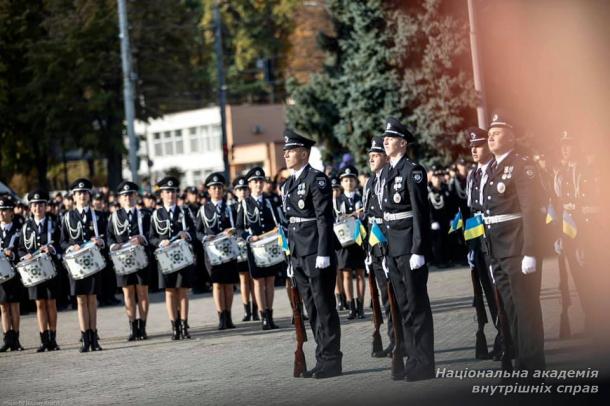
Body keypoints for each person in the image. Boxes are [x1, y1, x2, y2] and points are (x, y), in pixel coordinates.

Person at [483, 111, 546, 373]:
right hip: (498, 251)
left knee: (526, 309)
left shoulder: (522, 165)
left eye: (497, 133)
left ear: (511, 138)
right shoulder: (492, 168)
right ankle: (523, 361)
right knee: (511, 310)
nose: (491, 137)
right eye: (490, 133)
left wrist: (531, 251)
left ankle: (533, 367)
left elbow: (531, 211)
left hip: (518, 249)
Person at [282, 129, 342, 379]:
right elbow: (289, 222)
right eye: (285, 151)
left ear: (304, 153)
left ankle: (332, 360)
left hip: (316, 252)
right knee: (311, 308)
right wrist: (290, 255)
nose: (286, 154)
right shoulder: (289, 183)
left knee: (324, 306)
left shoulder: (316, 179)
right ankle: (321, 358)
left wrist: (324, 251)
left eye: (291, 150)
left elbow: (323, 218)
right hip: (299, 254)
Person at [380, 117, 435, 381]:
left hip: (409, 248)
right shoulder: (388, 172)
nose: (385, 141)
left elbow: (420, 213)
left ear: (402, 143)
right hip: (393, 248)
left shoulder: (413, 171)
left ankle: (423, 363)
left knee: (416, 305)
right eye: (384, 138)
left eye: (389, 138)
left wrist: (419, 249)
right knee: (403, 307)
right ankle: (413, 359)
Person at [464, 127, 508, 363]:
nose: (474, 149)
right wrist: (471, 246)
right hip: (479, 241)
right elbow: (471, 210)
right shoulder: (472, 176)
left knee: (499, 290)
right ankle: (500, 332)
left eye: (478, 145)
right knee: (488, 293)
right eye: (471, 146)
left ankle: (508, 337)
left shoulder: (495, 169)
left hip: (495, 238)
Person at [59, 178, 106, 352]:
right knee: (80, 300)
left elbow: (106, 239)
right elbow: (62, 242)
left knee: (92, 299)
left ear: (89, 195)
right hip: (76, 264)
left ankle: (94, 337)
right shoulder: (67, 216)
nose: (82, 195)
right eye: (78, 193)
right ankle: (85, 338)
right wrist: (72, 246)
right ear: (74, 196)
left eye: (85, 192)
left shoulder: (98, 215)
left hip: (93, 262)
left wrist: (100, 241)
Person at [149, 176, 197, 340]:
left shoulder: (184, 211)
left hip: (182, 257)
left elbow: (194, 232)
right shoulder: (156, 214)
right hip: (165, 258)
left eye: (173, 191)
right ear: (161, 194)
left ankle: (184, 325)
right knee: (169, 292)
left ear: (177, 193)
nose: (170, 194)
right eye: (167, 192)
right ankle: (174, 327)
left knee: (182, 291)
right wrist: (160, 242)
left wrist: (187, 234)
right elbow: (151, 237)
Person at [236, 167, 284, 330]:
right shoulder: (244, 203)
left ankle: (270, 315)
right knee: (258, 282)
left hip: (269, 246)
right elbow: (239, 228)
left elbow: (276, 223)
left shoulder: (269, 202)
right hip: (255, 248)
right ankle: (263, 316)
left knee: (269, 281)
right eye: (255, 181)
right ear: (249, 184)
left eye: (261, 181)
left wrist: (277, 230)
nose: (258, 184)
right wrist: (249, 237)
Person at [17, 191, 62, 352]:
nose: (38, 208)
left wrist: (51, 248)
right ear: (30, 207)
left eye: (41, 205)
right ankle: (44, 339)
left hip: (50, 270)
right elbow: (21, 248)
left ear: (45, 206)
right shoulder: (26, 226)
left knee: (51, 303)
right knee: (40, 305)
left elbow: (61, 243)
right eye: (35, 205)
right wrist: (25, 255)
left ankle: (53, 339)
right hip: (34, 272)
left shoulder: (54, 223)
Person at [107, 181, 152, 341]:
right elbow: (109, 237)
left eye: (131, 194)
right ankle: (133, 327)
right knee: (128, 294)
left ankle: (143, 327)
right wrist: (113, 245)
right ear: (120, 198)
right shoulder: (114, 216)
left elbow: (151, 234)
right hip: (123, 260)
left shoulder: (145, 214)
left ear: (136, 196)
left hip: (141, 259)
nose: (128, 197)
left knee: (142, 293)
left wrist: (142, 238)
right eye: (125, 195)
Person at [362, 136, 394, 357]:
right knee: (384, 296)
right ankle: (395, 338)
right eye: (370, 156)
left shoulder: (390, 177)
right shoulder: (371, 181)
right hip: (375, 247)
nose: (372, 159)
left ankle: (401, 338)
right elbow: (368, 216)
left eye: (376, 155)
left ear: (385, 157)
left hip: (389, 244)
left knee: (395, 295)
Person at [195, 172, 239, 330]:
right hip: (212, 253)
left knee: (229, 284)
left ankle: (228, 316)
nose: (217, 190)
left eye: (219, 187)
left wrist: (232, 231)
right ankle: (221, 316)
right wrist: (206, 237)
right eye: (213, 188)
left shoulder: (230, 208)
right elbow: (198, 231)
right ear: (208, 190)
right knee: (217, 284)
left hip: (228, 250)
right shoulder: (203, 210)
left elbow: (237, 227)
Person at [333, 165, 366, 320]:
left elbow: (366, 217)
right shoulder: (337, 201)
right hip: (343, 243)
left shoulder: (362, 199)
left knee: (360, 274)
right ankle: (350, 307)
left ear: (356, 181)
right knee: (346, 275)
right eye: (345, 180)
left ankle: (360, 306)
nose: (349, 183)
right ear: (342, 183)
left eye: (351, 179)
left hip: (358, 241)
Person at [0, 195, 25, 352]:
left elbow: (22, 249)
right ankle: (6, 338)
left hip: (14, 273)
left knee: (14, 306)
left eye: (5, 210)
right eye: (0, 211)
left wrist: (13, 254)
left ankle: (16, 338)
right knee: (3, 307)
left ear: (11, 213)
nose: (2, 213)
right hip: (0, 275)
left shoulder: (18, 230)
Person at [232, 176, 258, 322]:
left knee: (254, 277)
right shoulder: (232, 207)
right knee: (243, 278)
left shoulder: (252, 204)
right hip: (239, 245)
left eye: (244, 189)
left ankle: (256, 309)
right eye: (239, 189)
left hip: (253, 243)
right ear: (235, 192)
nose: (242, 192)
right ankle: (247, 310)